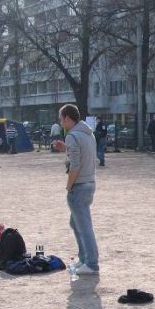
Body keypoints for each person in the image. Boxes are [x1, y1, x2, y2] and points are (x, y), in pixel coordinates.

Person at [53, 104, 99, 274]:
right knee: (76, 222)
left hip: (79, 185)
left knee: (83, 225)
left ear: (67, 118)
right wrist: (66, 149)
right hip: (90, 183)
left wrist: (68, 186)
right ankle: (84, 259)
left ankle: (91, 263)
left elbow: (75, 165)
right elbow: (83, 155)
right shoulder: (88, 134)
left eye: (61, 118)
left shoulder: (72, 136)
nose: (60, 122)